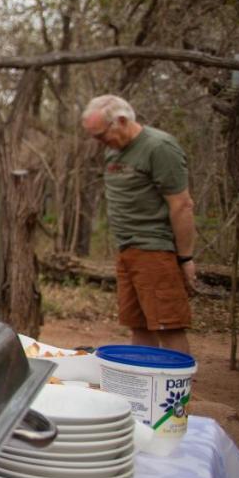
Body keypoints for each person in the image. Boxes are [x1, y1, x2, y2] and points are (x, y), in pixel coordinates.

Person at [82, 94, 196, 353]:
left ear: (121, 121)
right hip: (127, 250)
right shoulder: (114, 152)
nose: (100, 143)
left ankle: (177, 390)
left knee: (168, 325)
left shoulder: (159, 147)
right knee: (139, 325)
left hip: (155, 250)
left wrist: (185, 258)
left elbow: (182, 205)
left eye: (101, 135)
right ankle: (143, 387)